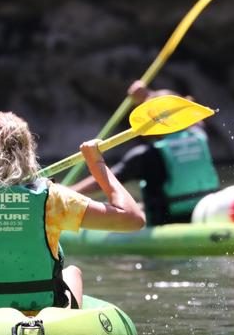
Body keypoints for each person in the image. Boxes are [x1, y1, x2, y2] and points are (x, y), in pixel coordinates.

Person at [0, 111, 145, 312]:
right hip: (43, 307)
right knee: (72, 272)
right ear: (29, 153)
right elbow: (133, 220)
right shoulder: (53, 197)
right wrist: (97, 164)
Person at [70, 80, 220, 226]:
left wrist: (66, 193)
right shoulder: (200, 134)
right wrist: (148, 95)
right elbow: (187, 117)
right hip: (205, 212)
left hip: (168, 221)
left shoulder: (145, 156)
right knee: (139, 205)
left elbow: (102, 181)